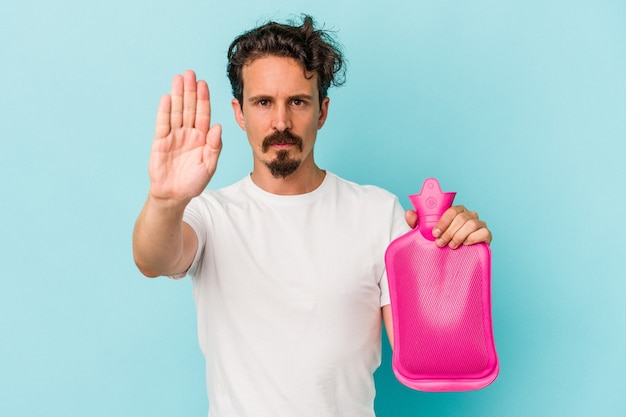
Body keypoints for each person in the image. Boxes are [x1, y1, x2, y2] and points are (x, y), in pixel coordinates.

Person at [133, 15, 491, 417]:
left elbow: (428, 352)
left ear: (322, 111)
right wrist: (165, 201)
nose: (280, 122)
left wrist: (453, 260)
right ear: (239, 113)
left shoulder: (376, 212)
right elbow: (153, 259)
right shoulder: (210, 215)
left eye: (297, 102)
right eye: (263, 102)